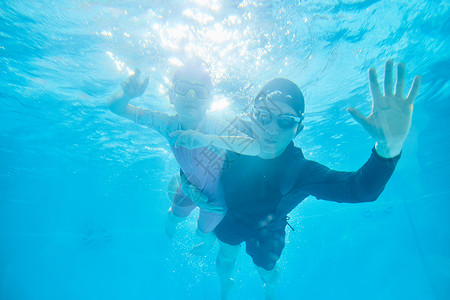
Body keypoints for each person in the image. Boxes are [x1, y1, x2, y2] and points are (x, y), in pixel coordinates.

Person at [171, 59, 421, 299]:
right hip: (231, 217)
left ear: (297, 130)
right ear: (252, 116)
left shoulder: (299, 171)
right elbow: (195, 162)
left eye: (285, 121)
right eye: (263, 116)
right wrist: (188, 184)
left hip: (268, 230)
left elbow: (360, 190)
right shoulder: (230, 136)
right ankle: (225, 290)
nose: (270, 129)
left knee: (265, 270)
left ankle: (270, 289)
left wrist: (389, 147)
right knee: (224, 259)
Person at [107, 59, 261, 254]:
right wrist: (126, 95)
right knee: (172, 217)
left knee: (201, 233)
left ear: (210, 101)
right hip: (187, 188)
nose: (191, 96)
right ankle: (170, 236)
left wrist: (205, 139)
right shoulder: (167, 124)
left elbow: (255, 148)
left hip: (214, 202)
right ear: (171, 96)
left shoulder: (216, 126)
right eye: (183, 88)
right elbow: (115, 107)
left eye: (200, 91)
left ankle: (207, 242)